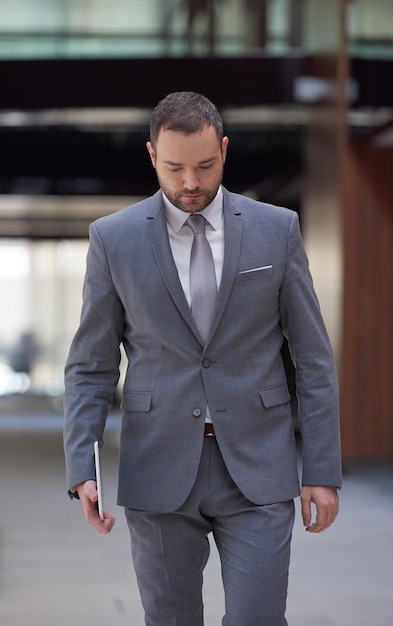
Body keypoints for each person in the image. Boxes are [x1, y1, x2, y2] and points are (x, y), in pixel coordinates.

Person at [64, 91, 342, 626]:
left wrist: (323, 469)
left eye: (205, 166)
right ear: (151, 156)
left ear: (225, 151)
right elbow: (91, 366)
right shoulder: (113, 239)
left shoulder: (275, 229)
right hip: (158, 466)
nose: (191, 182)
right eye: (175, 168)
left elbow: (313, 360)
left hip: (258, 465)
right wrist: (83, 465)